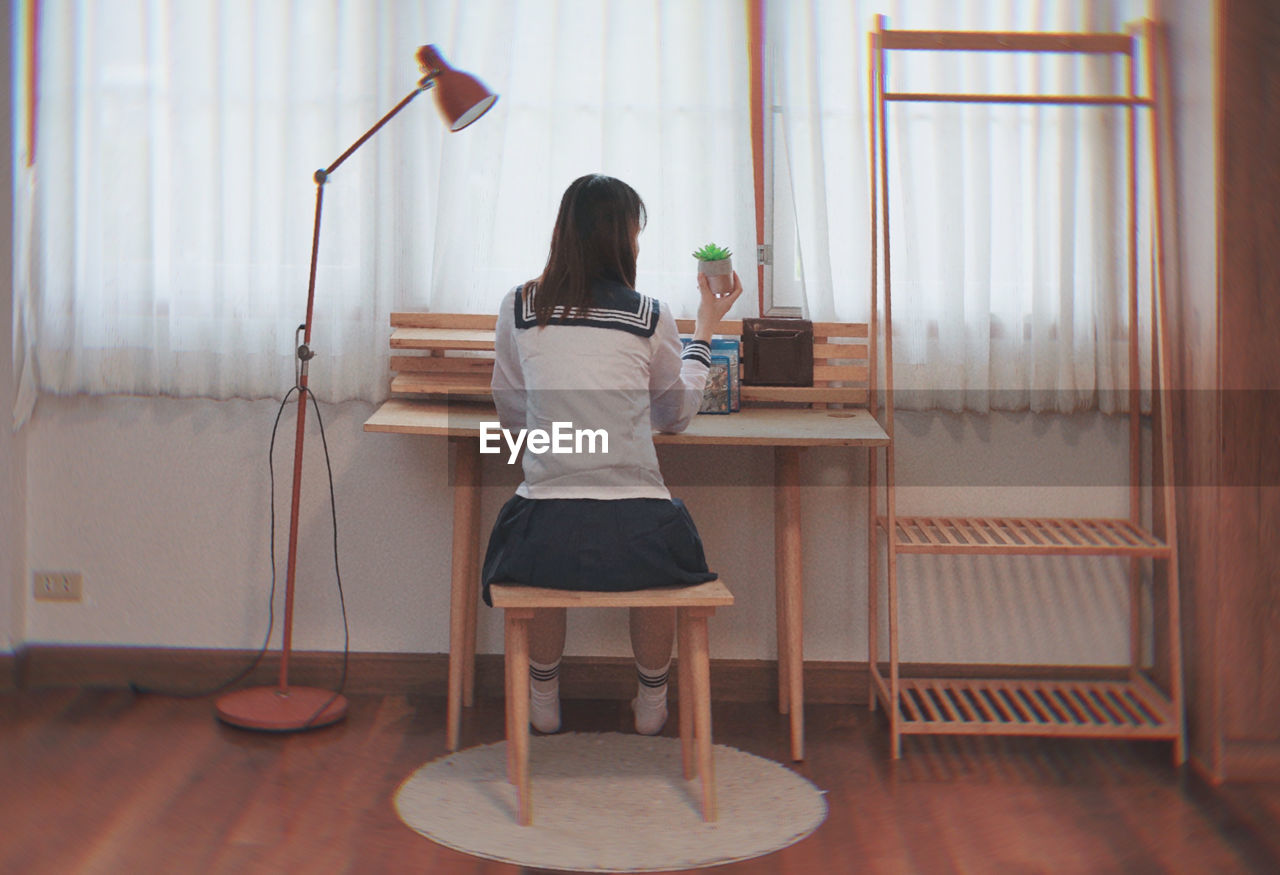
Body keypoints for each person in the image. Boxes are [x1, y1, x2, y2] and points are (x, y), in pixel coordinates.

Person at [481, 173, 743, 736]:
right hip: (638, 527)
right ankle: (652, 700)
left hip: (543, 530)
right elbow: (675, 416)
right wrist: (706, 329)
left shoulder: (520, 306)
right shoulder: (649, 313)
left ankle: (543, 694)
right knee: (662, 556)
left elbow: (511, 413)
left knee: (543, 536)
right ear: (623, 240)